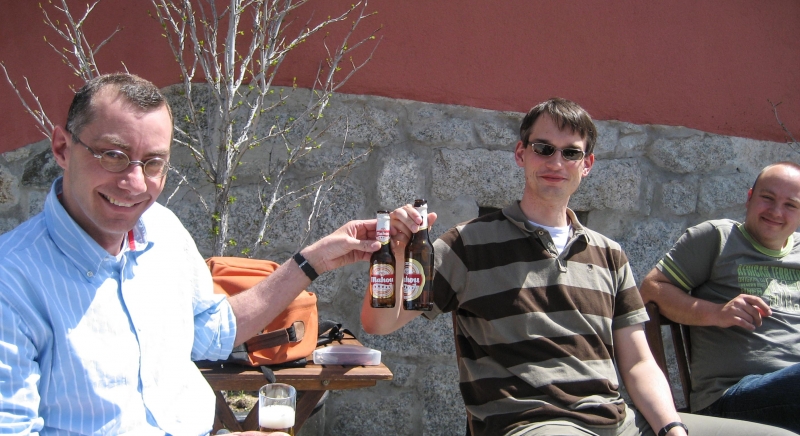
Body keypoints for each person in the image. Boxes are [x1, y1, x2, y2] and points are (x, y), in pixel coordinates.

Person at [361, 98, 795, 436]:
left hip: (618, 423)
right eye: (544, 148)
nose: (556, 163)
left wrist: (672, 427)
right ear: (521, 153)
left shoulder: (609, 254)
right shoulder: (468, 243)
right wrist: (398, 253)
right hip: (530, 423)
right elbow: (379, 324)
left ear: (587, 166)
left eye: (571, 153)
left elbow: (640, 363)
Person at [0, 73, 381, 435]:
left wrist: (312, 261)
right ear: (62, 149)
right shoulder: (12, 281)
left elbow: (213, 332)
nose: (134, 183)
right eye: (113, 155)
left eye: (153, 163)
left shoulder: (163, 230)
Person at [639, 161, 800, 433]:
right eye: (767, 198)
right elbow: (650, 289)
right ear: (749, 198)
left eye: (790, 205)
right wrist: (717, 313)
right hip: (731, 396)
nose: (776, 211)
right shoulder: (718, 237)